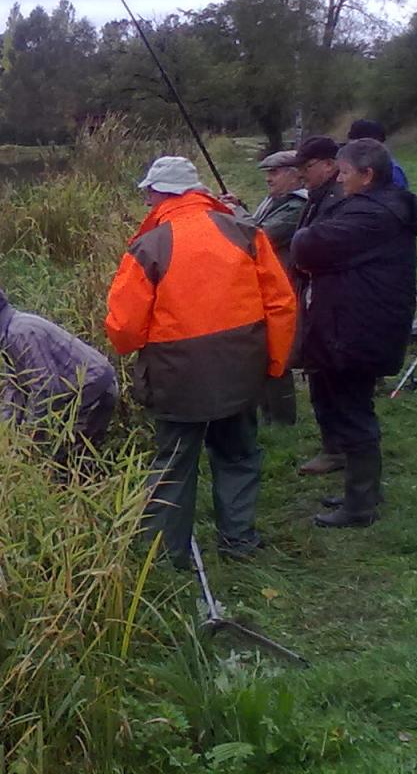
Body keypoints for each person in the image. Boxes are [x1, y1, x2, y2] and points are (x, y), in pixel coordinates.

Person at [105, 157, 296, 564]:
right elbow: (281, 304)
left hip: (177, 375)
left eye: (149, 193)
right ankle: (238, 542)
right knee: (239, 456)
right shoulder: (246, 232)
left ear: (162, 194)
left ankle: (164, 555)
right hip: (241, 367)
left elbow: (123, 330)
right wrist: (273, 365)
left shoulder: (149, 245)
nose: (146, 201)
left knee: (173, 464)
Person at [290, 139, 417, 527]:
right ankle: (363, 490)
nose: (341, 180)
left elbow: (310, 244)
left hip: (358, 328)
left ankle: (360, 506)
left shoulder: (372, 215)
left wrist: (304, 240)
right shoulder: (377, 207)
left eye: (345, 173)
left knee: (353, 413)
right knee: (354, 406)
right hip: (358, 322)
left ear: (367, 176)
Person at [0, 280, 118, 476]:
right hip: (81, 392)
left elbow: (47, 389)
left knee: (66, 464)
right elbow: (16, 385)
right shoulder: (9, 333)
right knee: (61, 458)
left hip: (95, 392)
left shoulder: (20, 333)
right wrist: (4, 432)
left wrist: (30, 438)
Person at [227, 149, 307, 424]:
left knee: (280, 352)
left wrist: (235, 212)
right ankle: (270, 416)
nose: (268, 179)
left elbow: (261, 237)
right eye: (267, 173)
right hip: (267, 285)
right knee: (264, 350)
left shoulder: (297, 206)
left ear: (295, 175)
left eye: (274, 173)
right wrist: (241, 207)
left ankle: (283, 420)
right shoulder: (277, 201)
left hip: (284, 286)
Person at [291, 135, 347, 474]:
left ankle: (339, 449)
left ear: (330, 164)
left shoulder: (337, 199)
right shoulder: (319, 196)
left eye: (307, 167)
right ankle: (335, 446)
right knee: (317, 369)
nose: (302, 175)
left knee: (329, 373)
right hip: (315, 293)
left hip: (330, 298)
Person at [347, 118, 408, 189]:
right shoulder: (355, 166)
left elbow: (398, 197)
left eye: (355, 144)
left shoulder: (392, 171)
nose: (351, 148)